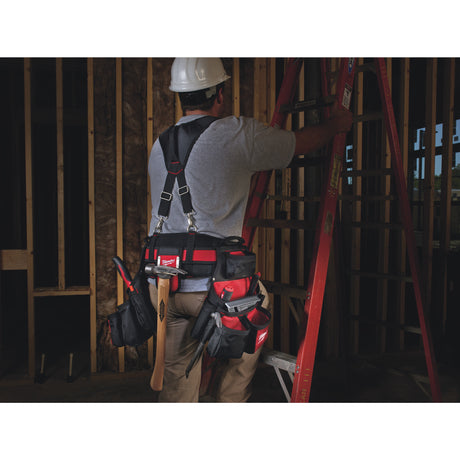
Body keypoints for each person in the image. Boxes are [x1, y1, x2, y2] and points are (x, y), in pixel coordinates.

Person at [147, 58, 353, 402]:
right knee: (256, 308)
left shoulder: (161, 144)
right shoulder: (236, 134)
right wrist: (336, 125)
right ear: (220, 94)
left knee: (176, 380)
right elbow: (299, 144)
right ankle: (230, 402)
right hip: (213, 288)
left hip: (164, 285)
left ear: (180, 96)